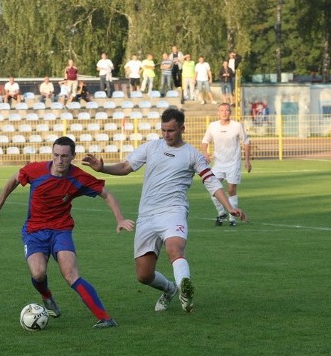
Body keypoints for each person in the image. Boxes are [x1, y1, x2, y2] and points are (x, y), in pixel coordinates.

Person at [81, 108, 247, 313]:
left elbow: (212, 183)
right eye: (163, 130)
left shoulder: (192, 155)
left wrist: (230, 207)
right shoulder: (152, 147)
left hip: (173, 210)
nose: (166, 134)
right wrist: (103, 168)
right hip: (147, 215)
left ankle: (185, 291)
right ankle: (170, 289)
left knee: (175, 248)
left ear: (182, 128)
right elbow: (125, 167)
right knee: (143, 275)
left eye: (171, 130)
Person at [0, 136, 134, 328]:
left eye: (64, 156)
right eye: (56, 155)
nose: (60, 160)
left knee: (71, 274)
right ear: (52, 154)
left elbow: (106, 194)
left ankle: (105, 318)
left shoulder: (78, 177)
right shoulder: (36, 170)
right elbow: (15, 178)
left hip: (61, 230)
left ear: (72, 156)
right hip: (34, 231)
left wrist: (120, 219)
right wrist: (0, 201)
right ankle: (47, 297)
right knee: (38, 274)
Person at [200, 103, 251, 226]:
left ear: (230, 112)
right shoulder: (213, 126)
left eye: (227, 110)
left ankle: (232, 219)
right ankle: (221, 212)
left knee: (231, 190)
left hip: (233, 163)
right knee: (213, 189)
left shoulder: (237, 126)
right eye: (222, 110)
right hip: (218, 164)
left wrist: (247, 160)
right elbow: (205, 141)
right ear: (218, 112)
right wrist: (205, 153)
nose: (224, 112)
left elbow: (246, 142)